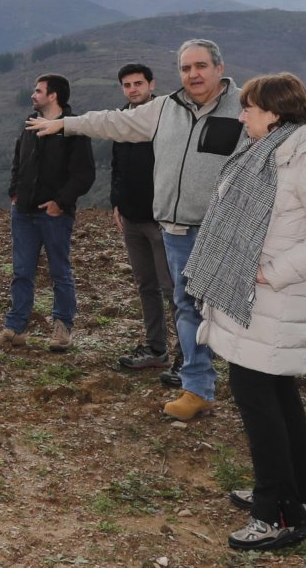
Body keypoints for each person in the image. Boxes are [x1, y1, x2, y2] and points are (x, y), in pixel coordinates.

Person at [27, 39, 244, 420]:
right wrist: (66, 123)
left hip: (220, 230)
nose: (192, 74)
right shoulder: (165, 108)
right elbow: (114, 121)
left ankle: (258, 383)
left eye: (200, 66)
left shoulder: (244, 108)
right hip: (175, 230)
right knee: (188, 308)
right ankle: (198, 389)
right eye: (185, 68)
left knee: (234, 309)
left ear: (219, 67)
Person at [184, 72, 306, 550]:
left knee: (261, 403)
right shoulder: (271, 151)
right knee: (279, 398)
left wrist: (274, 271)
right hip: (255, 305)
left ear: (275, 113)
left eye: (249, 109)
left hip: (272, 301)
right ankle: (294, 492)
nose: (242, 116)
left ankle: (276, 514)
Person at [0, 74, 95, 352]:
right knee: (21, 271)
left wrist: (60, 203)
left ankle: (62, 328)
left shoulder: (73, 129)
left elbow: (84, 175)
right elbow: (19, 160)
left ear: (53, 96)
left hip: (54, 215)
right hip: (24, 212)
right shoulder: (30, 124)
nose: (33, 94)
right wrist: (15, 194)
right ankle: (15, 328)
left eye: (38, 91)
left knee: (59, 272)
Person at [108, 63, 180, 384]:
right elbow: (116, 165)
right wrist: (116, 202)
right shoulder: (122, 119)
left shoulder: (167, 117)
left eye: (138, 83)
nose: (133, 89)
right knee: (146, 286)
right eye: (127, 85)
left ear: (152, 84)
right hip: (131, 217)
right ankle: (155, 349)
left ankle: (187, 356)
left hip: (162, 218)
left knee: (173, 289)